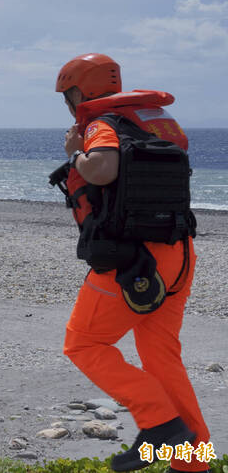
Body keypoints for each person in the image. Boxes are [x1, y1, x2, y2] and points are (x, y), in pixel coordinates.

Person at [54, 53, 210, 473]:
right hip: (178, 254)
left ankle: (159, 425)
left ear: (77, 93)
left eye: (67, 96)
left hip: (132, 260)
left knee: (83, 343)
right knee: (162, 360)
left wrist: (77, 152)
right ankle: (194, 464)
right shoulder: (155, 121)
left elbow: (103, 170)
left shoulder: (99, 125)